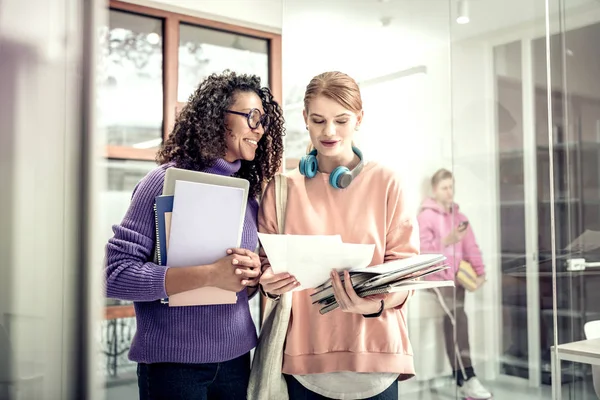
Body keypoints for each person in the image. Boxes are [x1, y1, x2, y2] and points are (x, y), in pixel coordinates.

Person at [104, 70, 285, 400]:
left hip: (236, 360)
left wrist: (252, 276)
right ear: (217, 117)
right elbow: (114, 275)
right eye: (252, 117)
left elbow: (240, 289)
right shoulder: (161, 183)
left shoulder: (248, 198)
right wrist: (209, 275)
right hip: (174, 368)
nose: (259, 129)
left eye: (264, 121)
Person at [258, 71, 419, 400]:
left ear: (359, 119)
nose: (329, 132)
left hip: (376, 356)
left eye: (341, 120)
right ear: (304, 119)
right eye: (318, 120)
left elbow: (406, 272)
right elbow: (263, 266)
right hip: (305, 361)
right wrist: (267, 281)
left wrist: (371, 305)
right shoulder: (282, 189)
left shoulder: (387, 182)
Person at [417, 168, 492, 399]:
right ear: (434, 190)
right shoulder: (425, 217)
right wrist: (448, 240)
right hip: (436, 280)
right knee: (458, 320)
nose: (449, 192)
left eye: (451, 187)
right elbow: (422, 251)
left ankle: (462, 380)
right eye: (444, 187)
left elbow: (471, 247)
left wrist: (480, 274)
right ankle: (468, 378)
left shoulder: (460, 218)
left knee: (457, 323)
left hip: (458, 280)